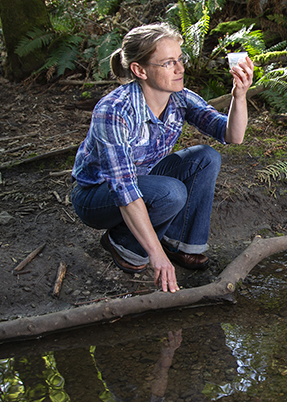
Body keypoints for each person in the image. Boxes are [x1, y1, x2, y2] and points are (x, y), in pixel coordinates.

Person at [70, 22, 253, 293]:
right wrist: (158, 258)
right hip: (97, 196)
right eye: (168, 63)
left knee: (206, 157)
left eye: (180, 59)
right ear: (139, 70)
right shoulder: (114, 111)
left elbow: (232, 135)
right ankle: (124, 244)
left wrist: (240, 96)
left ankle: (179, 242)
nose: (180, 69)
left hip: (145, 182)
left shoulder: (180, 98)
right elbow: (123, 189)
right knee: (171, 192)